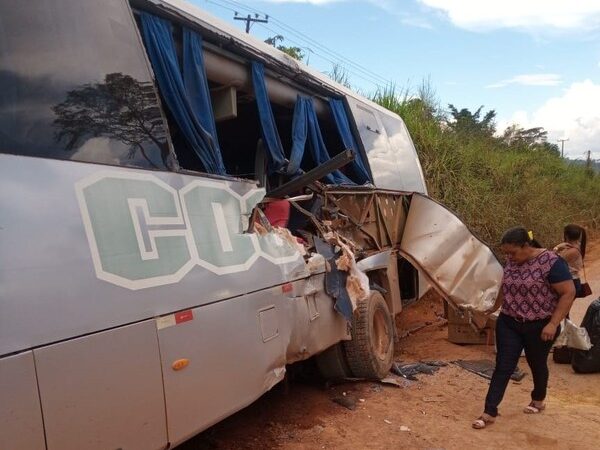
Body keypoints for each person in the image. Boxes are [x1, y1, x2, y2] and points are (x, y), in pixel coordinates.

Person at [472, 227, 575, 429]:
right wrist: (492, 308)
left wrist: (553, 323)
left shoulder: (551, 263)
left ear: (526, 246)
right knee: (503, 365)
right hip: (509, 321)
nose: (509, 257)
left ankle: (538, 399)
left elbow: (568, 292)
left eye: (513, 252)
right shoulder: (512, 261)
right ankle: (489, 411)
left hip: (540, 325)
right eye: (506, 253)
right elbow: (505, 286)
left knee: (536, 362)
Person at [553, 224, 587, 298]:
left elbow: (553, 261)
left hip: (571, 282)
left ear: (566, 235)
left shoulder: (573, 251)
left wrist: (556, 248)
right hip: (571, 281)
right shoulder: (574, 246)